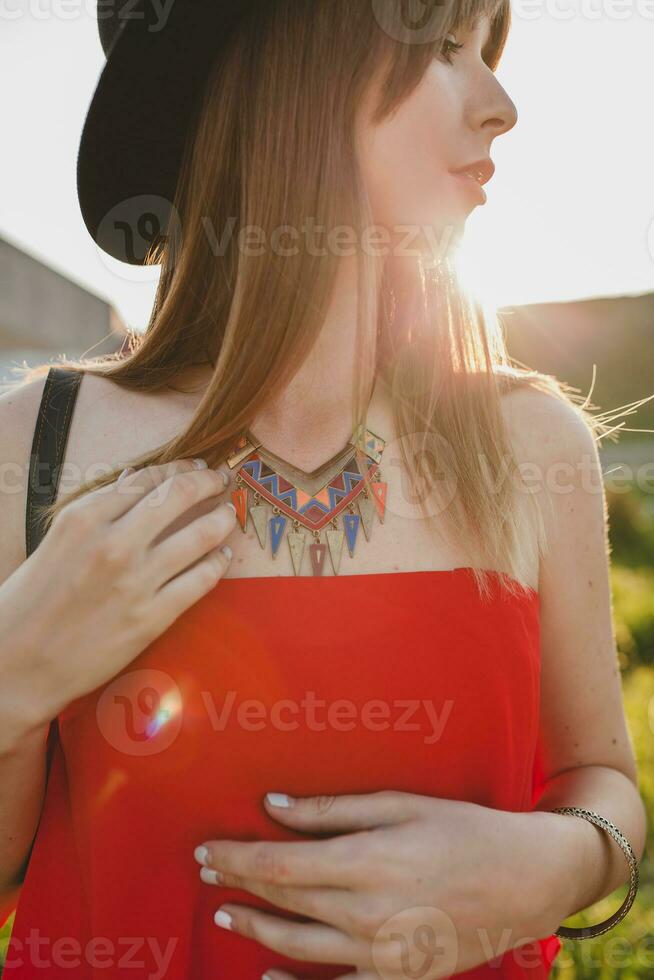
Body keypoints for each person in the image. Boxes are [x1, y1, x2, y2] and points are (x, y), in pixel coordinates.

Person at [0, 1, 647, 978]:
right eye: (442, 49)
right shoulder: (37, 443)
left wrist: (551, 867)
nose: (502, 104)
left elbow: (603, 782)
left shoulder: (530, 440)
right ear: (283, 79)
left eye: (491, 54)